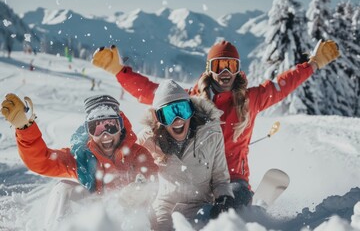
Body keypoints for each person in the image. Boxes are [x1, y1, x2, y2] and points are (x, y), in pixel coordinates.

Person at [91, 40, 339, 209]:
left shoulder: (251, 99)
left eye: (231, 65)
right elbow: (153, 93)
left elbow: (282, 85)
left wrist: (313, 63)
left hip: (233, 178)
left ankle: (244, 212)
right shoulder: (193, 99)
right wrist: (119, 70)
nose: (225, 72)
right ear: (210, 69)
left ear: (237, 69)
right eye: (219, 65)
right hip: (196, 176)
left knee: (229, 201)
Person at [0, 93, 158, 230]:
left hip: (128, 222)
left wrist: (139, 189)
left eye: (111, 126)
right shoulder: (82, 156)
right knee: (64, 189)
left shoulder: (137, 154)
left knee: (138, 211)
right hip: (96, 221)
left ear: (121, 126)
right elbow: (42, 161)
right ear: (89, 132)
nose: (105, 135)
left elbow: (151, 180)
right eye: (96, 128)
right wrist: (25, 129)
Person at [137, 79, 234, 230]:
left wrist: (223, 199)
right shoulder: (148, 140)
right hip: (165, 208)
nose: (178, 120)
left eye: (182, 110)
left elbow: (220, 177)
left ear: (191, 110)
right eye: (168, 114)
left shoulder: (211, 134)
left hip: (201, 206)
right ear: (158, 118)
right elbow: (131, 166)